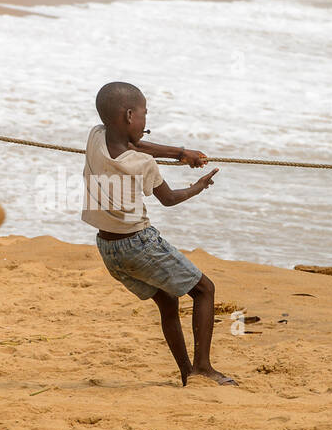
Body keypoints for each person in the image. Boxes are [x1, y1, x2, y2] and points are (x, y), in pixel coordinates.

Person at [83, 81, 235, 386]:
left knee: (168, 302)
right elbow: (168, 199)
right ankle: (202, 368)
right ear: (129, 115)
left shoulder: (95, 137)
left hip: (107, 248)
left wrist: (181, 153)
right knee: (204, 290)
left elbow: (134, 143)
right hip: (138, 244)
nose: (145, 122)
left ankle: (186, 372)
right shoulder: (142, 163)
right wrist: (198, 186)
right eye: (144, 115)